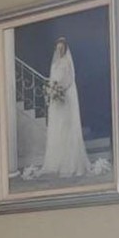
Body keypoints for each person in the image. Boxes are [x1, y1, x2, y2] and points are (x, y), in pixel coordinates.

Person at [38, 35, 88, 179]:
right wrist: (52, 90)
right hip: (56, 100)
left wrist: (60, 90)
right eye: (58, 48)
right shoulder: (55, 63)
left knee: (67, 128)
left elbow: (70, 78)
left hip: (65, 97)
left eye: (62, 48)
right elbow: (53, 79)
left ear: (65, 49)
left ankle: (70, 163)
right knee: (57, 128)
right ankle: (56, 162)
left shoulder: (67, 62)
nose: (59, 51)